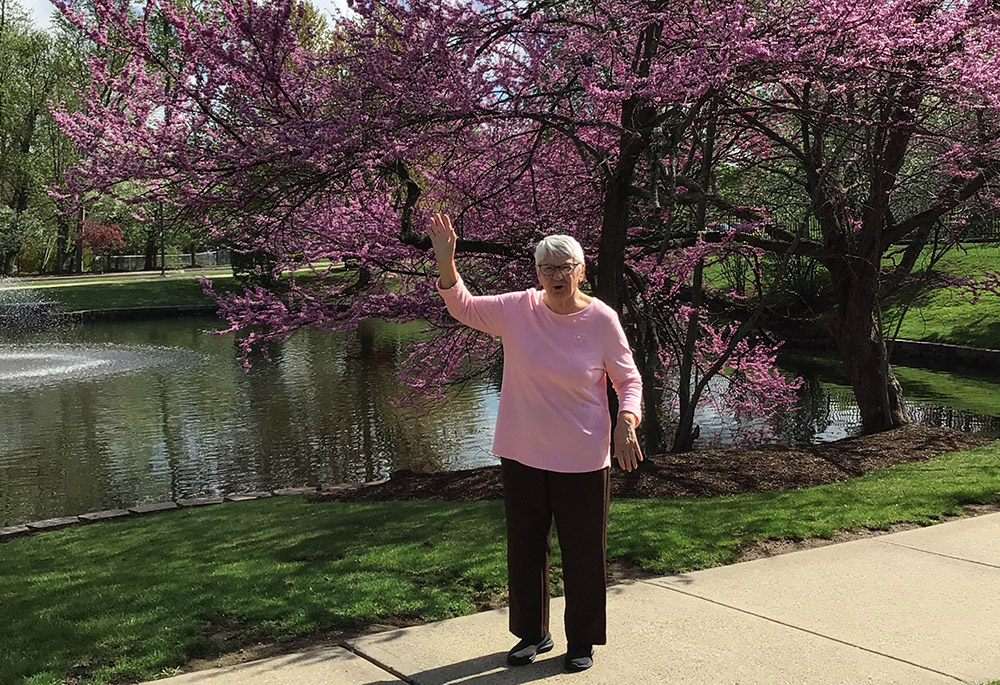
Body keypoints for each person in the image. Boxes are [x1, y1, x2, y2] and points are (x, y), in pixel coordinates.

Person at [426, 212, 643, 673]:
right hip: (523, 452)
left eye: (564, 267)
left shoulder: (602, 319)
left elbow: (628, 378)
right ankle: (533, 633)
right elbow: (463, 306)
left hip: (583, 456)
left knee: (584, 550)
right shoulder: (517, 309)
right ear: (537, 273)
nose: (555, 276)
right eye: (546, 268)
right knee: (525, 546)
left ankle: (581, 639)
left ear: (581, 270)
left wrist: (626, 420)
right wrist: (447, 262)